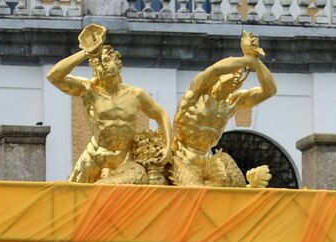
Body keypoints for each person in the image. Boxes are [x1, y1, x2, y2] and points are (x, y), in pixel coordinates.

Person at [48, 25, 172, 184]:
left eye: (106, 60)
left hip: (125, 157)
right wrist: (86, 53)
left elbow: (162, 115)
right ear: (94, 71)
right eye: (97, 64)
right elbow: (54, 77)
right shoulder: (88, 89)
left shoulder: (136, 94)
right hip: (95, 157)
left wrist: (168, 147)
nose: (102, 65)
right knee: (73, 198)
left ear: (118, 63)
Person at [172, 31, 277, 188]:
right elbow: (215, 70)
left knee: (232, 183)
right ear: (221, 76)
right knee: (197, 193)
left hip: (208, 158)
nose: (238, 76)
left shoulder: (233, 102)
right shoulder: (197, 94)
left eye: (241, 74)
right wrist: (246, 59)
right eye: (234, 72)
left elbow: (270, 90)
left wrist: (256, 62)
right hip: (182, 157)